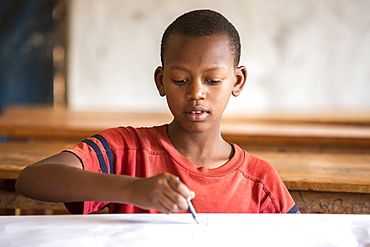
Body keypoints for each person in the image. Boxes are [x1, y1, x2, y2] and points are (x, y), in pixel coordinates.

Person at [16, 9, 299, 214]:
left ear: (237, 81)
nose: (196, 93)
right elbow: (32, 179)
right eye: (180, 80)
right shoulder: (126, 151)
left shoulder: (259, 181)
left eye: (212, 81)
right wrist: (133, 190)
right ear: (161, 81)